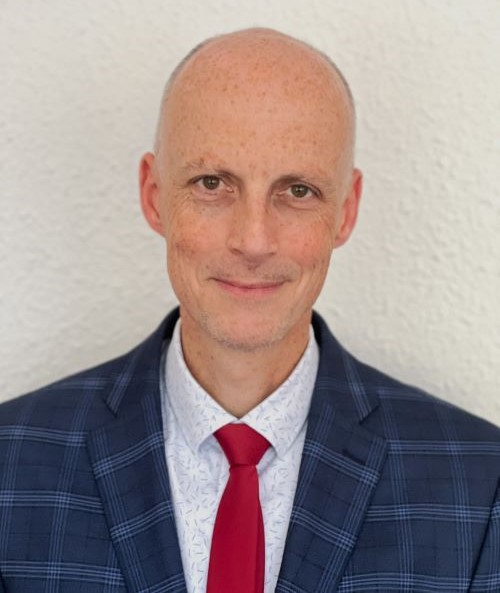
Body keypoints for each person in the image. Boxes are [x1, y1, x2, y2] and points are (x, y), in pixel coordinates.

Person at [0, 27, 498, 593]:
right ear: (155, 195)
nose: (254, 241)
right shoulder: (12, 464)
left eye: (298, 190)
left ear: (346, 210)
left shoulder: (479, 486)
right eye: (212, 183)